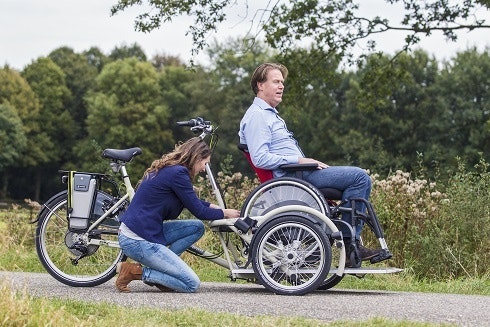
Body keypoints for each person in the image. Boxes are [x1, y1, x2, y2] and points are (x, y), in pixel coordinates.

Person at [238, 62, 382, 262]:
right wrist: (299, 160)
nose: (281, 86)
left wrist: (306, 163)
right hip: (292, 177)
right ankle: (349, 244)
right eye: (276, 82)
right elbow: (260, 158)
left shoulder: (268, 115)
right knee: (359, 177)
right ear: (260, 85)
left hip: (299, 173)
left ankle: (345, 241)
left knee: (357, 181)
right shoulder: (258, 117)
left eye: (282, 82)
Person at [116, 137, 240, 293]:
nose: (204, 168)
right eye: (205, 163)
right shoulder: (178, 173)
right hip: (137, 240)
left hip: (144, 231)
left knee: (196, 227)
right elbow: (199, 211)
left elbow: (189, 199)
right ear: (196, 158)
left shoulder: (173, 169)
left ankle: (164, 274)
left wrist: (210, 205)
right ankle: (135, 272)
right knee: (191, 284)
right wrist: (223, 212)